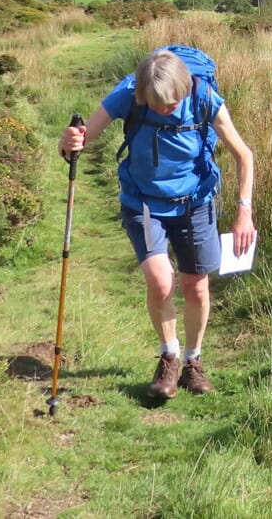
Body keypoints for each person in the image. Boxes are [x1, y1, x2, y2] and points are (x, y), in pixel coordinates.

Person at [58, 47, 256, 402]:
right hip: (144, 204)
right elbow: (85, 139)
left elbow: (244, 154)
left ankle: (194, 362)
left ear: (185, 89)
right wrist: (71, 142)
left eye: (171, 103)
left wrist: (244, 212)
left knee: (195, 285)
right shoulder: (128, 95)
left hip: (194, 203)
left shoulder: (204, 97)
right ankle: (169, 357)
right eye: (156, 104)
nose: (164, 109)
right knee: (160, 280)